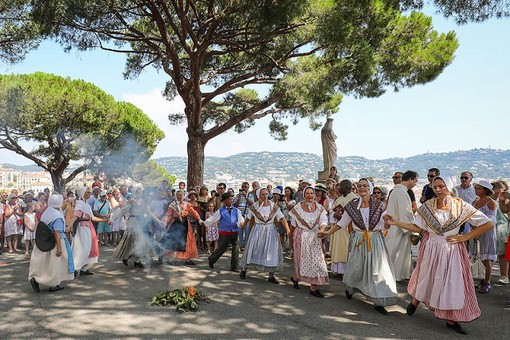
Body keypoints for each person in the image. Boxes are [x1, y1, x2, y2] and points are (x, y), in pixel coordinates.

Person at [385, 176, 495, 335]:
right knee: (427, 276)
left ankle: (451, 319)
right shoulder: (427, 207)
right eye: (435, 187)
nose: (437, 190)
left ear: (448, 187)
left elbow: (488, 223)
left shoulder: (461, 206)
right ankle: (417, 299)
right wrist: (397, 222)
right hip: (431, 246)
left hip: (451, 249)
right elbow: (417, 227)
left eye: (441, 186)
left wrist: (465, 237)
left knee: (451, 282)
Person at [321, 178, 396, 314]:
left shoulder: (379, 205)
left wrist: (387, 222)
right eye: (360, 186)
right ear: (357, 188)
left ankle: (378, 300)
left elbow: (386, 225)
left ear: (370, 188)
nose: (362, 188)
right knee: (356, 267)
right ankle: (350, 288)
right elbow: (342, 223)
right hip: (358, 239)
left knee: (377, 270)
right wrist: (327, 233)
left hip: (375, 240)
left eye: (365, 186)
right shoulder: (352, 205)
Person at [239, 188, 290, 283]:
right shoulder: (254, 207)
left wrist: (288, 230)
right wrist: (243, 225)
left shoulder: (274, 207)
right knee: (252, 249)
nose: (265, 196)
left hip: (270, 230)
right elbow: (248, 218)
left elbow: (282, 218)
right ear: (259, 196)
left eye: (266, 194)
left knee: (271, 251)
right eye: (263, 194)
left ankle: (271, 275)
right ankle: (244, 270)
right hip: (258, 230)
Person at [29, 193, 75, 293]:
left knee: (44, 263)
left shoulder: (47, 212)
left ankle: (36, 278)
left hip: (44, 240)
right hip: (55, 242)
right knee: (54, 264)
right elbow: (57, 233)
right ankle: (53, 284)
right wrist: (59, 248)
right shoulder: (56, 216)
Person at [288, 187, 329, 298]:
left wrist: (321, 229)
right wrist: (290, 236)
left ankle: (313, 287)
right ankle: (296, 277)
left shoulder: (319, 208)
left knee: (317, 260)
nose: (310, 195)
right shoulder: (298, 208)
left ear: (314, 195)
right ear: (304, 195)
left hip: (315, 236)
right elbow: (293, 224)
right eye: (307, 193)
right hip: (301, 236)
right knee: (301, 260)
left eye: (312, 193)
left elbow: (324, 220)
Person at [385, 170, 419, 282]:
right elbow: (405, 213)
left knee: (396, 252)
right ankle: (392, 275)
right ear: (410, 179)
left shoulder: (398, 191)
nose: (415, 184)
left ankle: (395, 275)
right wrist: (411, 227)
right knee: (394, 252)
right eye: (415, 181)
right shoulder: (401, 192)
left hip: (397, 226)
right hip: (399, 228)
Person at [113, 187, 155, 268]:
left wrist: (159, 222)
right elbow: (123, 210)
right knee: (133, 241)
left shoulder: (142, 201)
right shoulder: (131, 201)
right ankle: (127, 257)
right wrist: (112, 218)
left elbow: (148, 212)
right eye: (138, 192)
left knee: (144, 242)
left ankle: (137, 260)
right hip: (133, 222)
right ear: (134, 193)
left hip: (141, 222)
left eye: (140, 192)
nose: (140, 194)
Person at [468, 180, 497, 293]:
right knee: (477, 256)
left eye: (478, 188)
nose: (476, 190)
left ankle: (487, 281)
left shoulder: (491, 202)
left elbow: (492, 220)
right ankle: (479, 278)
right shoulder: (476, 200)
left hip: (486, 232)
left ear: (485, 190)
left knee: (485, 258)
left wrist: (478, 230)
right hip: (475, 231)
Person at [160, 189, 203, 265]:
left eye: (181, 195)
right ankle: (165, 256)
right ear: (176, 196)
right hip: (175, 224)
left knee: (188, 242)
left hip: (185, 224)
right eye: (178, 195)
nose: (179, 196)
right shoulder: (173, 205)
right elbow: (168, 215)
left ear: (183, 196)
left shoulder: (187, 204)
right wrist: (165, 222)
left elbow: (193, 212)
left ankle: (188, 259)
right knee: (173, 241)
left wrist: (199, 219)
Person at [204, 192, 245, 271]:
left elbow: (240, 219)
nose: (231, 201)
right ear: (225, 201)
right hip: (224, 233)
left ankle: (234, 267)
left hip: (234, 232)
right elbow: (213, 220)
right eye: (229, 200)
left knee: (236, 249)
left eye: (231, 199)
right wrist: (205, 223)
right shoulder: (220, 211)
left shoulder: (236, 210)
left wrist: (241, 223)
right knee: (221, 249)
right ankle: (211, 259)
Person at [72, 187, 108, 276]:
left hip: (88, 227)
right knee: (81, 248)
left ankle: (84, 268)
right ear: (82, 193)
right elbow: (76, 216)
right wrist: (69, 226)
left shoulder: (86, 204)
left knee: (87, 248)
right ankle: (75, 268)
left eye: (89, 192)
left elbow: (92, 218)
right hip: (82, 228)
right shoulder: (80, 204)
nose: (89, 193)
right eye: (87, 192)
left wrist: (104, 220)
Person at [329, 180, 356, 277]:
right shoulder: (338, 199)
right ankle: (337, 270)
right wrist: (334, 214)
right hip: (337, 228)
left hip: (348, 229)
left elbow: (356, 216)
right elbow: (331, 211)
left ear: (346, 187)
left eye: (340, 186)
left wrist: (344, 218)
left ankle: (346, 271)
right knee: (337, 248)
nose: (338, 188)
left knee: (346, 248)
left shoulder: (354, 199)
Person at [493, 180, 510, 285]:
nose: (497, 189)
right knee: (501, 253)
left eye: (499, 187)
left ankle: (505, 275)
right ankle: (504, 275)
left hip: (504, 227)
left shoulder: (505, 200)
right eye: (495, 187)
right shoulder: (491, 200)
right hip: (495, 227)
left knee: (504, 253)